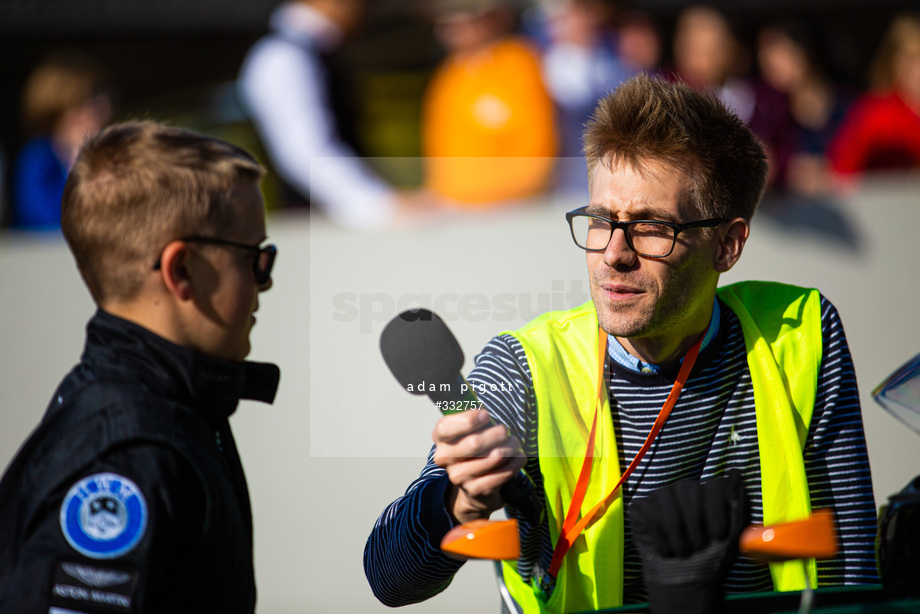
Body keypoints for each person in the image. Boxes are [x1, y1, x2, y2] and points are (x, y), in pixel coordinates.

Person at [364, 75, 879, 612]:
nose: (614, 253)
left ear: (727, 245)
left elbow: (850, 568)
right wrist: (462, 499)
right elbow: (390, 580)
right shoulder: (526, 365)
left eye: (651, 226)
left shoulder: (801, 332)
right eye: (600, 220)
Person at [0, 121, 280, 612]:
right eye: (257, 258)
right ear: (181, 271)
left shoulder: (172, 404)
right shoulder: (129, 454)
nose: (266, 282)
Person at [238, 0, 415, 228]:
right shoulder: (283, 55)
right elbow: (304, 152)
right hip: (318, 233)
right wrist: (382, 206)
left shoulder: (318, 53)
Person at [422, 0, 557, 206]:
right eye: (446, 22)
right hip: (456, 204)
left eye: (464, 19)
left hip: (511, 203)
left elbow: (537, 143)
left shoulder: (519, 62)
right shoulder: (450, 72)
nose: (452, 28)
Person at [12, 50, 112, 231]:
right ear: (66, 108)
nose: (104, 106)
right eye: (91, 100)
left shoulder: (111, 152)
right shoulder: (37, 158)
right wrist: (81, 161)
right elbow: (44, 221)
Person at [829, 13, 920, 176]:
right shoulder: (873, 113)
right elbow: (841, 168)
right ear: (892, 61)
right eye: (911, 58)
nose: (916, 68)